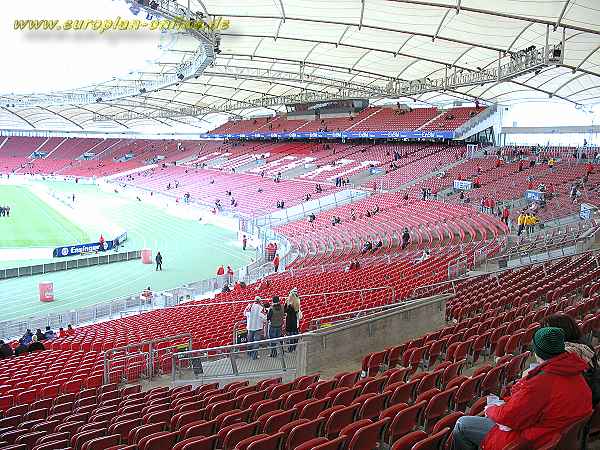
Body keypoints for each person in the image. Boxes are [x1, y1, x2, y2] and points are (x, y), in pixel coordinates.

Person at [452, 327, 592, 450]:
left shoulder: (542, 383)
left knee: (462, 424)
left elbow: (509, 417)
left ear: (537, 352)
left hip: (530, 440)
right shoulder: (574, 371)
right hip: (553, 434)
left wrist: (491, 409)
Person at [285, 288, 301, 352]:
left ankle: (290, 348)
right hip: (295, 320)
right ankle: (294, 347)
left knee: (291, 335)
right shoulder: (297, 303)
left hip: (290, 321)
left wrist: (286, 303)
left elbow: (285, 310)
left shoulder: (290, 305)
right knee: (295, 334)